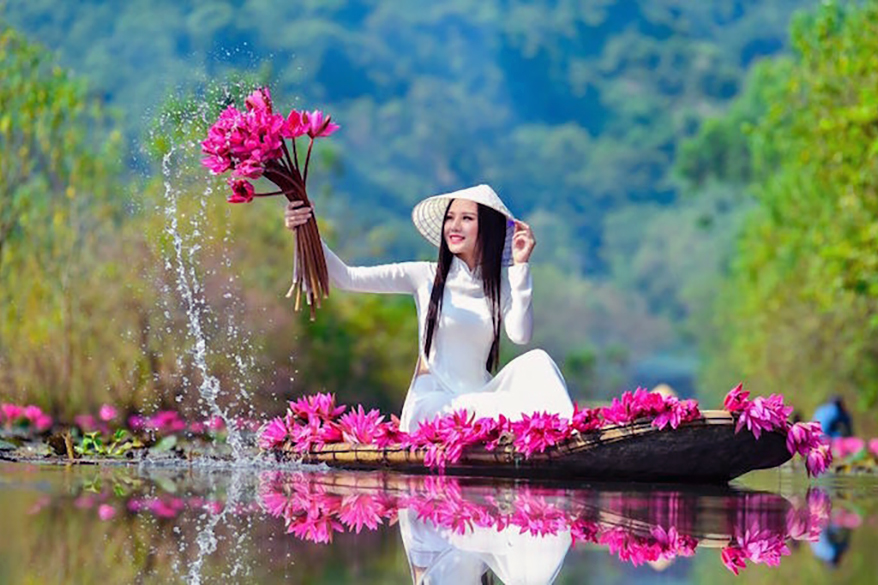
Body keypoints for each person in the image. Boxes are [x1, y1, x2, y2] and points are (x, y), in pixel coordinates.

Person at [283, 184, 574, 432]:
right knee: (494, 410)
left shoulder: (503, 284)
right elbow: (346, 277)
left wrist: (521, 267)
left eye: (466, 218)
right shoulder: (424, 276)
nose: (454, 226)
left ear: (488, 229)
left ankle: (558, 437)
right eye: (450, 218)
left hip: (480, 397)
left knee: (538, 363)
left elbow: (520, 336)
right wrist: (306, 229)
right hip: (435, 405)